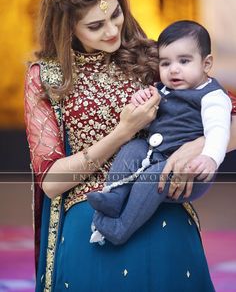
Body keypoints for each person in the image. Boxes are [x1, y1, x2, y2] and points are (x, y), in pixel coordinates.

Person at [24, 0, 236, 292]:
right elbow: (51, 182)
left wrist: (198, 146)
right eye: (95, 26)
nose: (112, 31)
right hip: (89, 208)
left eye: (116, 15)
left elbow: (227, 112)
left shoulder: (153, 58)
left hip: (160, 200)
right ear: (66, 26)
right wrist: (122, 132)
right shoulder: (47, 76)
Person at [87, 20, 232, 246]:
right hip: (154, 154)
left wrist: (210, 158)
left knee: (152, 178)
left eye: (184, 61)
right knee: (133, 148)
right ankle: (115, 195)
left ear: (206, 63)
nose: (173, 69)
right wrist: (140, 102)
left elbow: (219, 131)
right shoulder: (162, 90)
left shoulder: (212, 97)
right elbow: (148, 123)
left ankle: (121, 228)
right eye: (165, 63)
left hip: (188, 170)